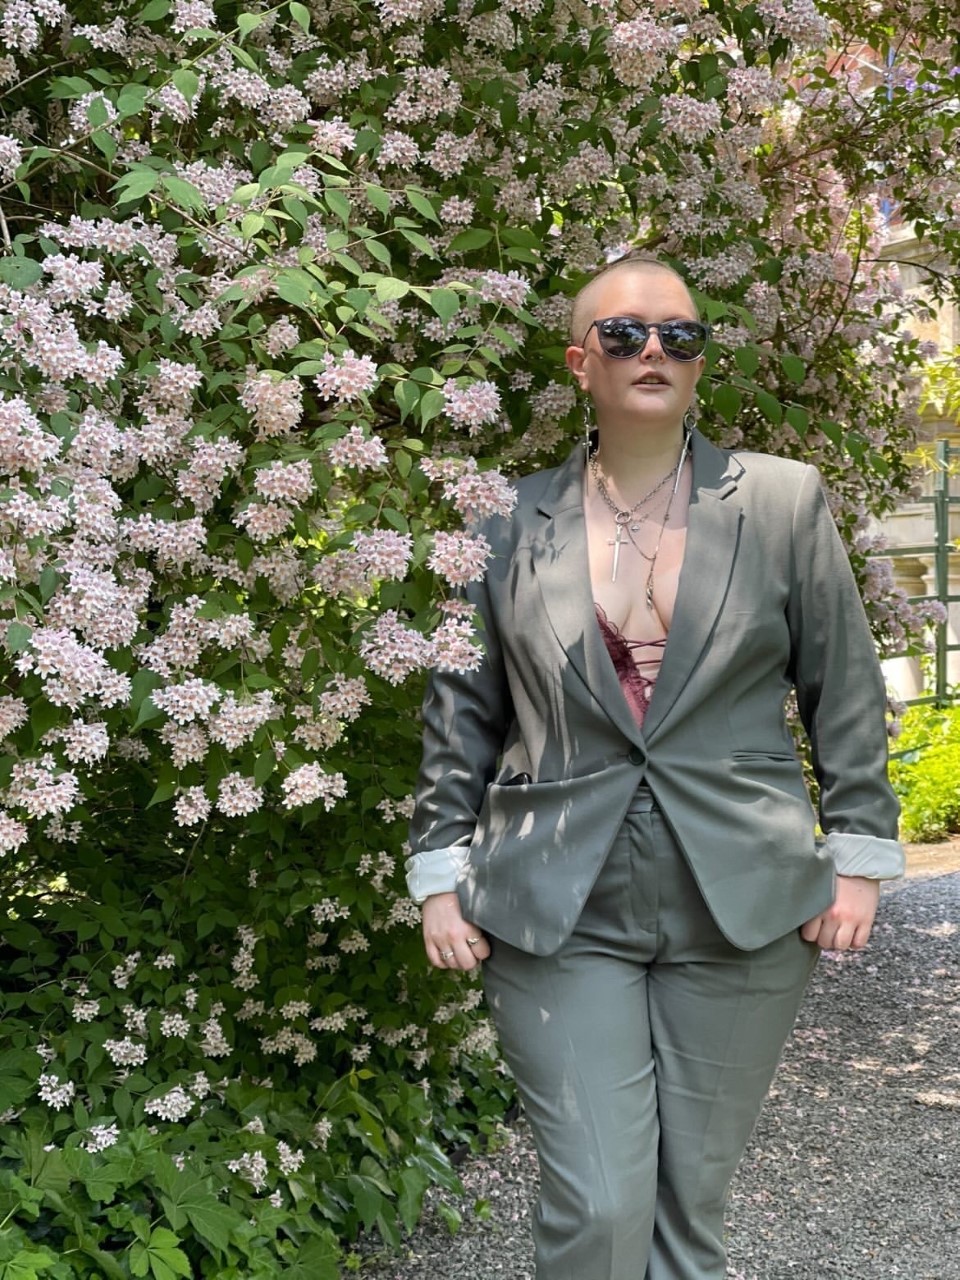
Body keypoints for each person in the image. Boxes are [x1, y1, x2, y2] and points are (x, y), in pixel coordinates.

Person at [406, 254, 904, 1280]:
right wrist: (439, 869)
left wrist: (858, 853)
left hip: (745, 904)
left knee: (690, 1205)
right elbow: (461, 709)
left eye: (681, 334)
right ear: (579, 362)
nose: (656, 351)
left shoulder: (780, 502)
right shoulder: (500, 521)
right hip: (555, 899)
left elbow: (842, 688)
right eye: (627, 334)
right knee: (598, 1197)